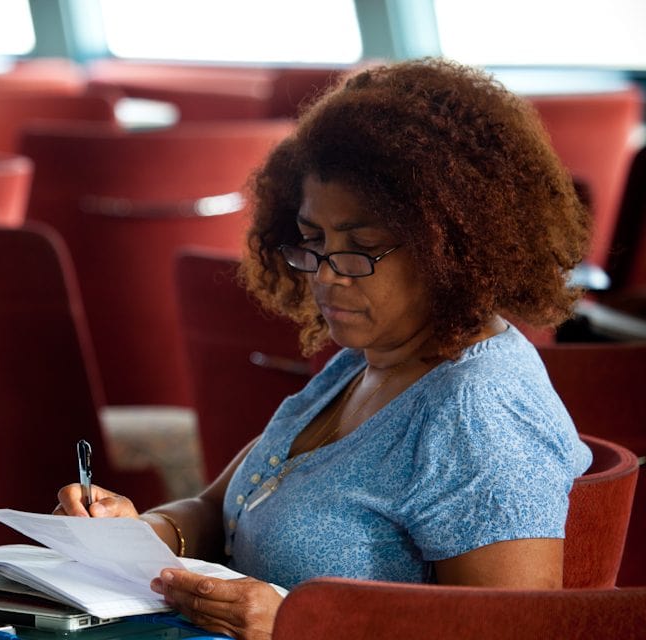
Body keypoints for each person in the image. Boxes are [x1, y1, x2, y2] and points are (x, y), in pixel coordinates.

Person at [54, 58, 593, 640]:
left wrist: (301, 626)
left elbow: (513, 631)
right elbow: (218, 511)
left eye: (361, 247)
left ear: (451, 250)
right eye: (313, 240)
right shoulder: (364, 363)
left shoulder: (480, 411)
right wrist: (137, 532)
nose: (326, 274)